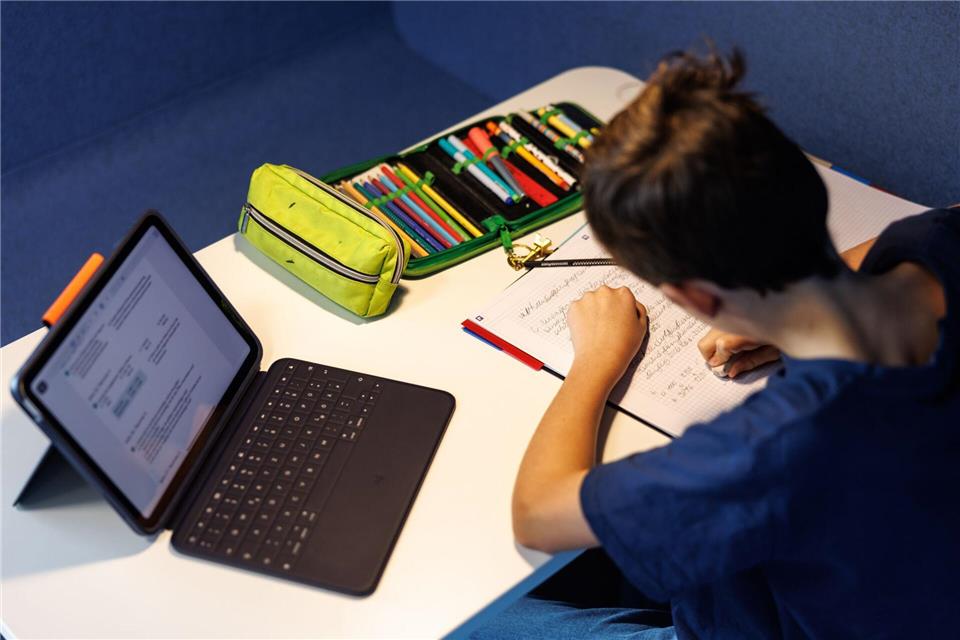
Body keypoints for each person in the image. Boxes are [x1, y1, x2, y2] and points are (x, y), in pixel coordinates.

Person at [473, 48, 959, 639]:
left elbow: (537, 514)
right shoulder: (934, 241)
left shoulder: (769, 448)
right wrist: (794, 310)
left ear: (695, 298)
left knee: (466, 621)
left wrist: (596, 360)